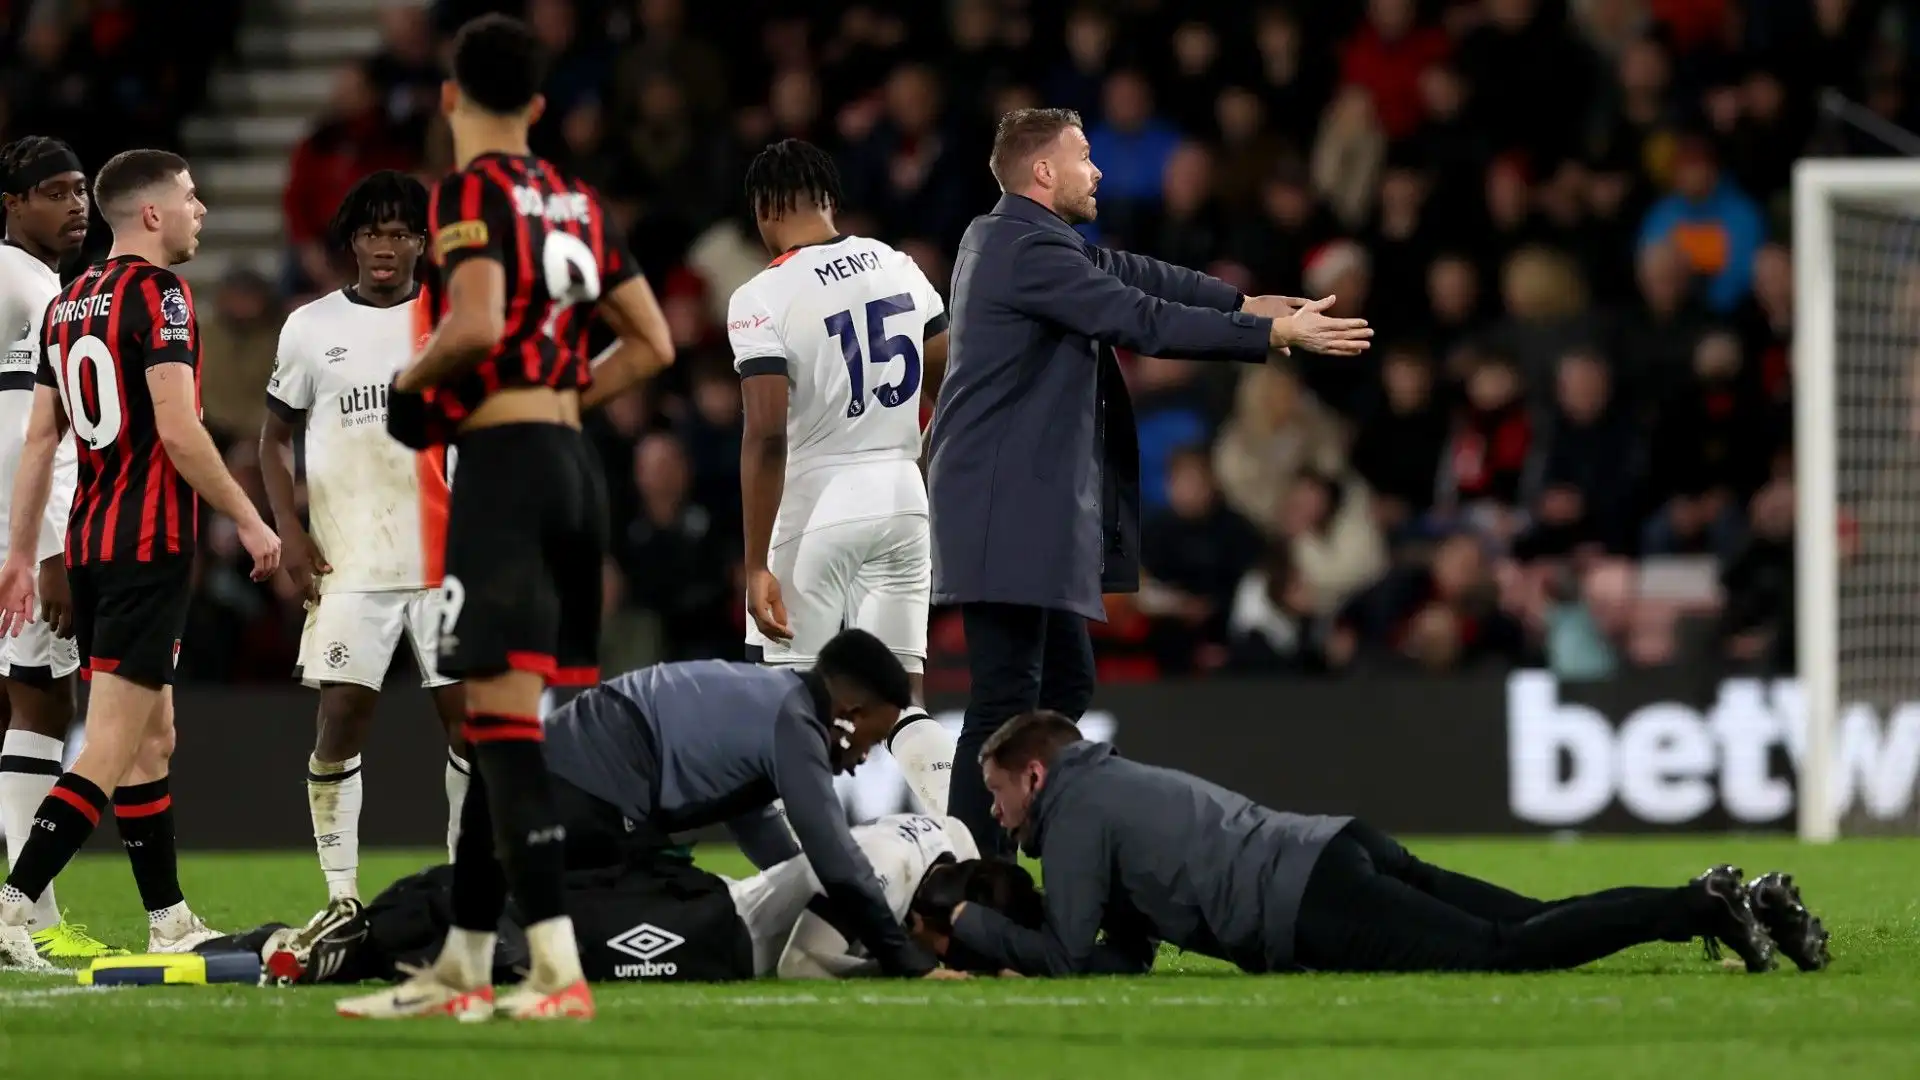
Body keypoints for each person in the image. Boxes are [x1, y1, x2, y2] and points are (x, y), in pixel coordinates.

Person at [341, 13, 674, 1021]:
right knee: (503, 723)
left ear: (451, 99)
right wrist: (567, 395)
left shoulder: (469, 192)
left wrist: (415, 376)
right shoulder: (576, 197)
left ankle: (558, 970)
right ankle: (465, 964)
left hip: (510, 471)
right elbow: (653, 343)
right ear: (536, 104)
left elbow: (477, 322)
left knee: (501, 729)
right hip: (575, 465)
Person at [927, 107, 1372, 857]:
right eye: (1083, 156)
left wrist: (1239, 303)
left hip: (1025, 507)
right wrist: (1268, 335)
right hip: (1002, 504)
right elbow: (1137, 318)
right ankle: (969, 879)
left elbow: (1132, 273)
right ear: (1043, 172)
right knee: (1005, 701)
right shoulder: (1020, 250)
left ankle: (1027, 834)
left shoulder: (1019, 238)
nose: (1096, 171)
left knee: (1063, 687)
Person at [937, 711, 1832, 977]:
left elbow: (1064, 952)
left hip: (1309, 900)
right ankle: (1731, 901)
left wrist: (974, 925)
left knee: (1503, 952)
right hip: (1334, 845)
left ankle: (1695, 905)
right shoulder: (1113, 780)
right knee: (1532, 919)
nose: (999, 814)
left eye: (999, 793)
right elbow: (1122, 954)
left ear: (1036, 776)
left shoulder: (1078, 814)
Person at [0, 149, 283, 969]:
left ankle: (169, 917)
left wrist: (24, 553)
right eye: (191, 199)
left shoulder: (69, 301)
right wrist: (253, 520)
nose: (201, 212)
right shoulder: (161, 296)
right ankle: (14, 903)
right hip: (144, 544)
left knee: (154, 736)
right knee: (114, 742)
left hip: (86, 543)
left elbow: (40, 440)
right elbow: (179, 428)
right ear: (151, 214)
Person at [728, 138, 955, 818]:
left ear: (766, 211)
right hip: (901, 496)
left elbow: (766, 434)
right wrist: (916, 448)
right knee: (902, 701)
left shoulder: (761, 295)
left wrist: (755, 564)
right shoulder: (899, 265)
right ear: (829, 199)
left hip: (816, 503)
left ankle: (811, 886)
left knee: (791, 714)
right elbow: (952, 379)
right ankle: (962, 842)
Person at [259, 170, 468, 906]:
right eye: (372, 232)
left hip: (447, 562)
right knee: (342, 716)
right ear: (352, 240)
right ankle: (341, 893)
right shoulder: (311, 327)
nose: (386, 246)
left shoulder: (452, 321)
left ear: (422, 243)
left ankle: (463, 882)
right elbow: (274, 439)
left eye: (401, 233)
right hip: (350, 562)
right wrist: (288, 527)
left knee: (469, 728)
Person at [523, 627, 951, 984]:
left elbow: (759, 825)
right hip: (586, 783)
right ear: (850, 713)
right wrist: (904, 959)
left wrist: (804, 900)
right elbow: (833, 856)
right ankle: (502, 938)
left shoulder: (777, 697)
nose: (861, 761)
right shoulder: (796, 724)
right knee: (661, 918)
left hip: (570, 771)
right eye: (871, 742)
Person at [254, 813, 998, 987]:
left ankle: (356, 929)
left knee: (556, 903)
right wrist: (905, 969)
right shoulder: (890, 872)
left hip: (709, 900)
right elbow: (804, 964)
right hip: (717, 931)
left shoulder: (948, 838)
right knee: (573, 946)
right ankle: (384, 938)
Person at [0, 137, 120, 962]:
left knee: (33, 706)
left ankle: (29, 908)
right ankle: (30, 913)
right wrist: (45, 546)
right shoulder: (22, 288)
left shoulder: (42, 285)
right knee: (43, 703)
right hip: (32, 529)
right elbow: (21, 432)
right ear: (12, 202)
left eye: (81, 190)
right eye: (53, 192)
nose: (75, 206)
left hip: (27, 525)